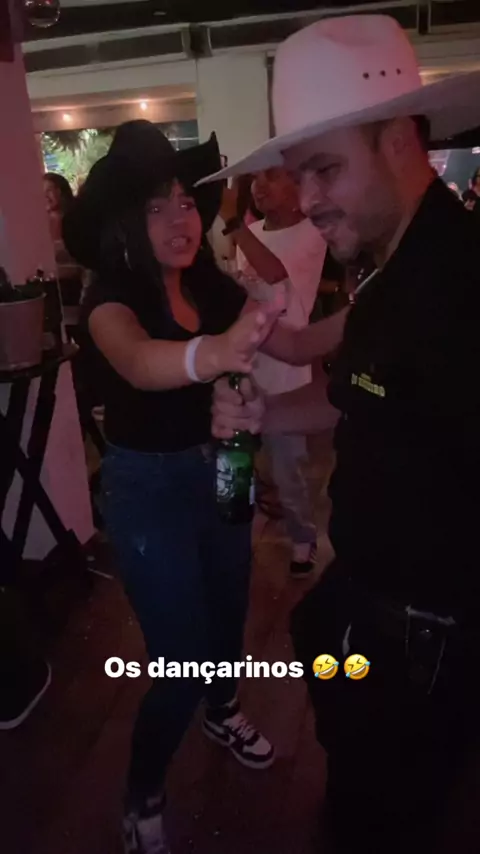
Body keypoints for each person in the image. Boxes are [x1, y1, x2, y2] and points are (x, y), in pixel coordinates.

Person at [206, 14, 480, 854]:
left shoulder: (457, 288)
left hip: (419, 640)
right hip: (366, 604)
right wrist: (265, 415)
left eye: (324, 169)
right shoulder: (393, 265)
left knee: (381, 817)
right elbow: (360, 394)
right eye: (298, 176)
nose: (309, 198)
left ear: (399, 140)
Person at [62, 120, 280, 854]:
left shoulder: (212, 287)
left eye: (185, 200)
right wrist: (212, 354)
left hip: (227, 462)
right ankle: (143, 792)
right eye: (156, 206)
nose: (180, 218)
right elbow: (136, 360)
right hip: (147, 485)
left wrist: (367, 318)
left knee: (230, 609)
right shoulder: (109, 298)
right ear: (126, 221)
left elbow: (278, 351)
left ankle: (223, 710)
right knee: (179, 660)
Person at [221, 167, 327, 576]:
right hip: (248, 365)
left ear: (298, 185)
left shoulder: (312, 233)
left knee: (288, 469)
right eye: (255, 179)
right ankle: (238, 537)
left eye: (273, 177)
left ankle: (303, 537)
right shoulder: (252, 233)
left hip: (287, 373)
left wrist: (233, 224)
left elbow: (277, 277)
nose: (260, 186)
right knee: (239, 460)